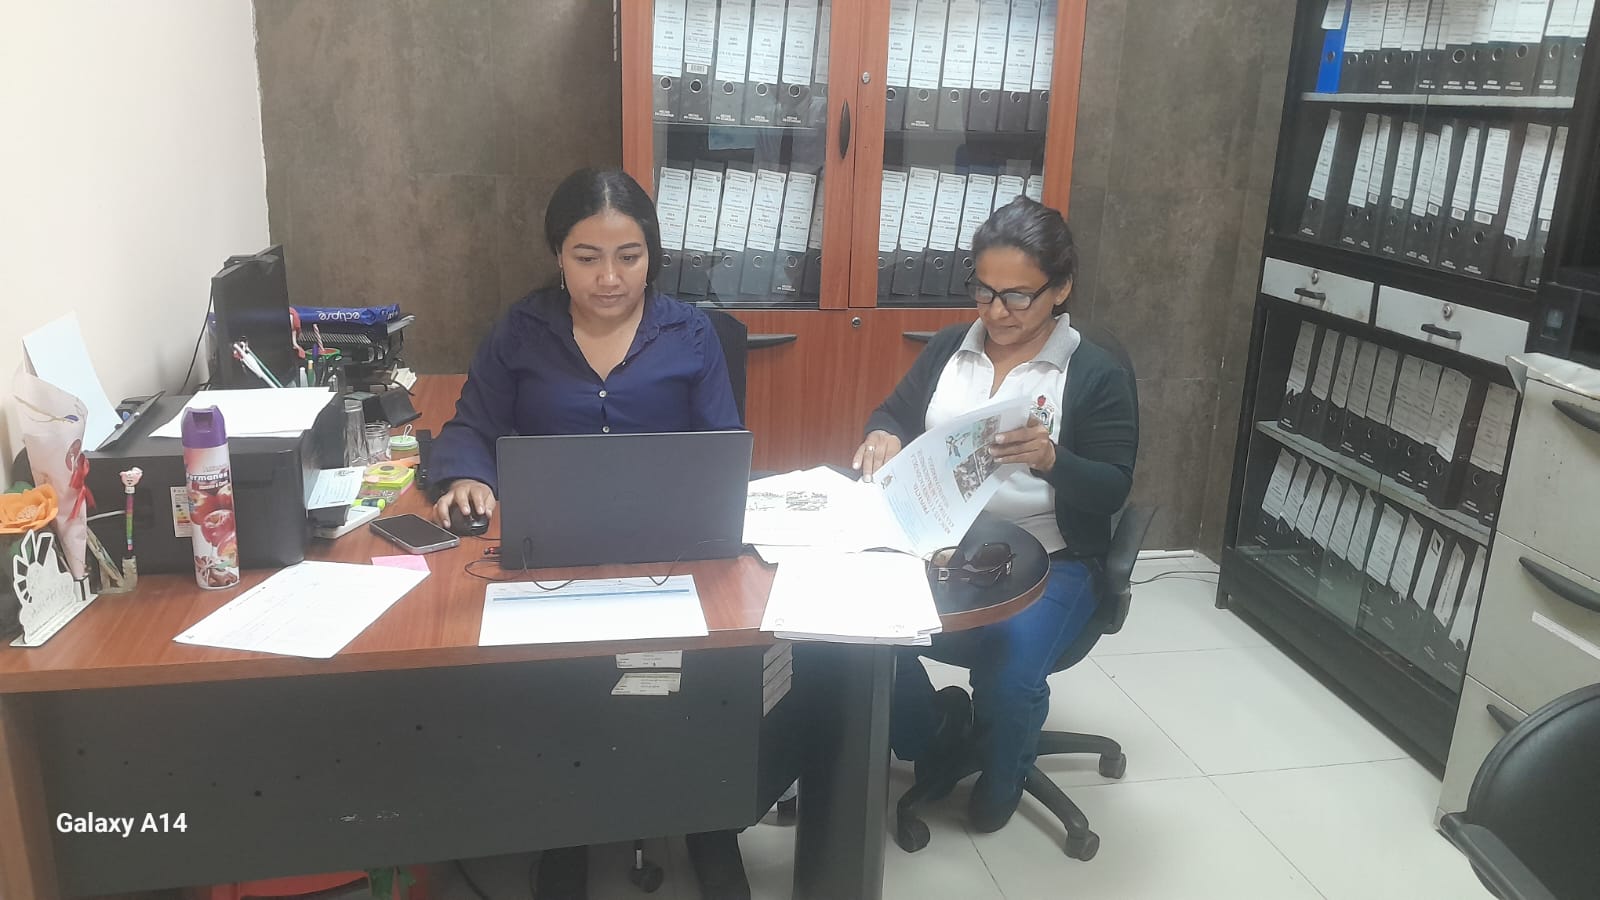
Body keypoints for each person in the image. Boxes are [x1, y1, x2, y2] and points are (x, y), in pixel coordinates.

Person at [430, 168, 750, 900]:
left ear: (651, 254)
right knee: (561, 685)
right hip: (553, 552)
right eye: (587, 257)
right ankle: (566, 827)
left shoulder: (689, 333)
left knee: (706, 679)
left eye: (629, 257)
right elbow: (471, 424)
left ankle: (710, 823)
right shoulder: (522, 330)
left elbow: (722, 446)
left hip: (672, 551)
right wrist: (466, 477)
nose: (609, 278)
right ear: (557, 255)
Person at [853, 196, 1138, 833]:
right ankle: (934, 734)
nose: (996, 311)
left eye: (1018, 296)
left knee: (1008, 678)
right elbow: (894, 412)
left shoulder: (1092, 374)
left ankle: (1004, 775)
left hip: (1051, 559)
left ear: (1060, 289)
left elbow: (1112, 488)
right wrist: (882, 434)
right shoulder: (952, 348)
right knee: (860, 638)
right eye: (983, 290)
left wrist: (1052, 459)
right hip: (939, 545)